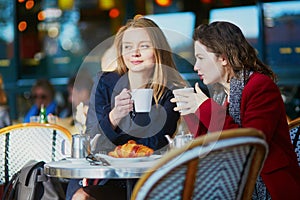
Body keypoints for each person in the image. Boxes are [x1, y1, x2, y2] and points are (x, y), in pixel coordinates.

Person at [171, 21, 300, 199]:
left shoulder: (260, 86)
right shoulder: (223, 94)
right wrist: (191, 112)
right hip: (233, 182)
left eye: (201, 58)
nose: (195, 67)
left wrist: (205, 107)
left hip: (268, 188)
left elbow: (249, 144)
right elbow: (209, 143)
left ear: (223, 58)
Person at [66, 16, 186, 200]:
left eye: (144, 46)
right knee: (81, 196)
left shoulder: (169, 91)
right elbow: (92, 140)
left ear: (158, 51)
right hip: (104, 177)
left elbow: (156, 144)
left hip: (147, 180)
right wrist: (114, 116)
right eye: (128, 46)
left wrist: (125, 126)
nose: (134, 53)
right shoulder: (105, 82)